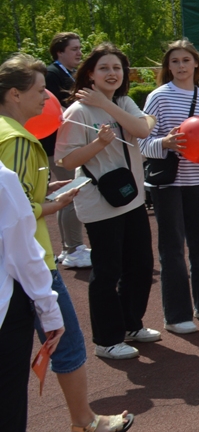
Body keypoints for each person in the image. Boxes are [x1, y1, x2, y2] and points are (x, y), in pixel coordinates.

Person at [1, 54, 135, 432]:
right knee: (68, 343)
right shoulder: (19, 140)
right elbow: (18, 213)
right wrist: (52, 206)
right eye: (39, 91)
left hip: (16, 265)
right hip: (30, 265)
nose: (47, 99)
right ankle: (84, 421)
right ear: (14, 94)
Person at [56, 45, 159, 362]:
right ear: (90, 73)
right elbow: (65, 159)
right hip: (100, 203)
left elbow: (142, 128)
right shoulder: (78, 111)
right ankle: (107, 339)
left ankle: (131, 325)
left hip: (132, 198)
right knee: (107, 271)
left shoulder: (123, 102)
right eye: (104, 68)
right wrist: (99, 143)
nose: (112, 73)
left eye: (117, 68)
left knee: (140, 266)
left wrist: (106, 103)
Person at [139, 40, 199, 335]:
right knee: (172, 249)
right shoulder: (158, 97)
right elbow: (142, 143)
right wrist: (164, 143)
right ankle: (176, 315)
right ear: (168, 67)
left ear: (197, 65)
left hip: (195, 181)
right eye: (175, 61)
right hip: (166, 183)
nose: (180, 66)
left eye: (186, 60)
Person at [0, 162, 64, 432]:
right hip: (4, 314)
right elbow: (23, 255)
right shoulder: (3, 180)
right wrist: (50, 312)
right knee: (7, 421)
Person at [42, 31, 91, 269]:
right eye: (74, 49)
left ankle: (68, 247)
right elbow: (62, 107)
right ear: (59, 52)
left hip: (65, 144)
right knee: (71, 193)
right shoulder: (52, 74)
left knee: (68, 194)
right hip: (57, 146)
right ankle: (74, 248)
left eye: (80, 48)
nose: (79, 53)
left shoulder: (67, 74)